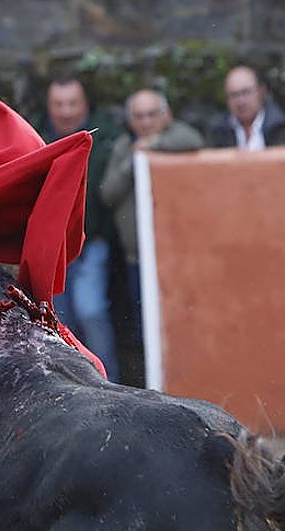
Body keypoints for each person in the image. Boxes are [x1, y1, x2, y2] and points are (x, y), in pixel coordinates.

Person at [100, 89, 202, 343]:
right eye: (138, 116)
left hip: (178, 255)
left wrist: (154, 146)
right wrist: (133, 161)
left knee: (185, 324)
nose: (146, 123)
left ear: (166, 115)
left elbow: (193, 140)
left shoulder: (176, 135)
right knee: (145, 329)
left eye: (151, 115)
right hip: (138, 259)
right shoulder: (125, 145)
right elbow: (108, 194)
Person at [38, 75, 122, 383]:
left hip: (91, 244)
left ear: (85, 103)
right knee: (60, 320)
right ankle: (72, 385)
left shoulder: (108, 136)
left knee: (91, 311)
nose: (66, 111)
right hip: (53, 249)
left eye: (72, 103)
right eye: (58, 104)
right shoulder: (37, 135)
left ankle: (107, 384)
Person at [207, 65, 285, 150]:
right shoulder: (218, 132)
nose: (241, 101)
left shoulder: (280, 127)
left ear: (261, 91)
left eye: (246, 92)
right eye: (234, 95)